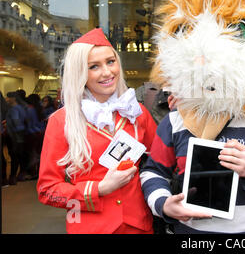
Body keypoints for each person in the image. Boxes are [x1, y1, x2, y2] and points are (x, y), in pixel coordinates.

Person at [37, 28, 157, 234]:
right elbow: (47, 190)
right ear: (80, 73)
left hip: (139, 225)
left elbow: (161, 163)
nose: (107, 72)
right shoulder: (61, 121)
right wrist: (99, 189)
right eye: (94, 66)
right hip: (91, 228)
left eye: (111, 62)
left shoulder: (137, 113)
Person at [5, 91, 27, 185]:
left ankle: (12, 177)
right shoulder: (21, 108)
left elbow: (17, 122)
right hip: (21, 135)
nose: (7, 99)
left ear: (13, 98)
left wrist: (11, 130)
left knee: (14, 157)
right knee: (20, 156)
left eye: (8, 97)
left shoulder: (14, 109)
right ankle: (20, 175)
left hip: (15, 136)